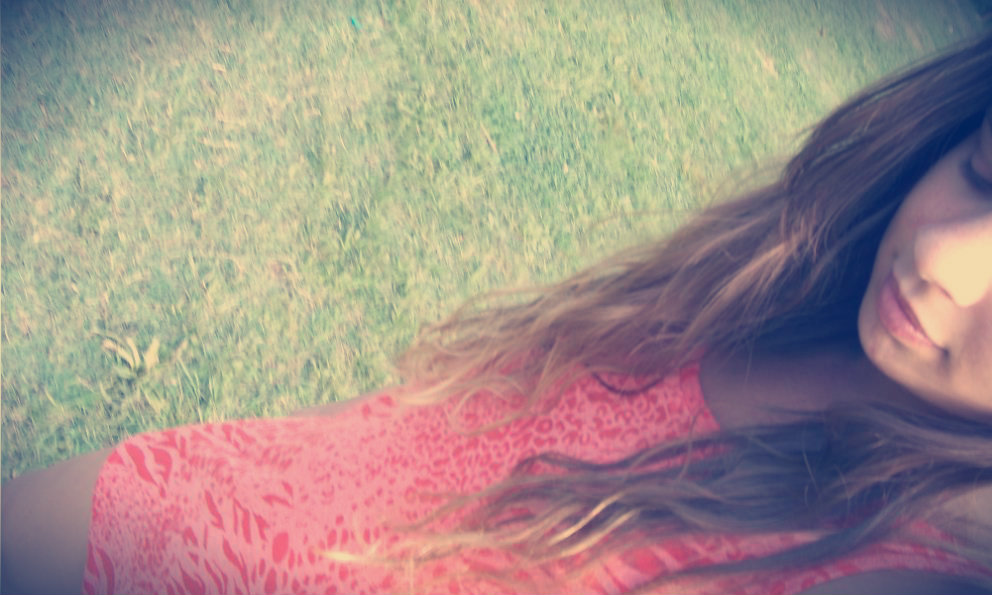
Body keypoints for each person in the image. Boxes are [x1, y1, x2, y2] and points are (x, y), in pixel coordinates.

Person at [3, 31, 992, 595]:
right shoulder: (796, 286)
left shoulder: (923, 566)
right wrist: (283, 452)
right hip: (214, 496)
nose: (939, 258)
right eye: (980, 173)